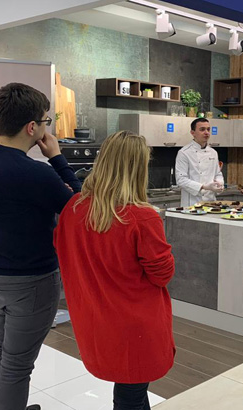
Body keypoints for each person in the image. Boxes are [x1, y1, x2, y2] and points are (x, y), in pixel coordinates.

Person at [0, 83, 81, 410]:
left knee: (4, 350)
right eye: (46, 122)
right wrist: (57, 157)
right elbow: (81, 208)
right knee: (17, 365)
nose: (46, 128)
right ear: (32, 128)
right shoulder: (34, 173)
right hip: (30, 283)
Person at [54, 131, 175, 409]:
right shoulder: (142, 217)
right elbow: (162, 274)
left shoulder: (74, 208)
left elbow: (62, 249)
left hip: (95, 320)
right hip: (135, 325)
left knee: (131, 390)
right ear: (138, 169)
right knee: (131, 394)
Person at [175, 118, 224, 206]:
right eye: (202, 129)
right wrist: (204, 187)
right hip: (192, 204)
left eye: (208, 129)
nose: (206, 132)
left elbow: (218, 174)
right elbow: (181, 180)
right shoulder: (184, 152)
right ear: (192, 133)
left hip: (211, 202)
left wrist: (219, 184)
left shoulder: (213, 152)